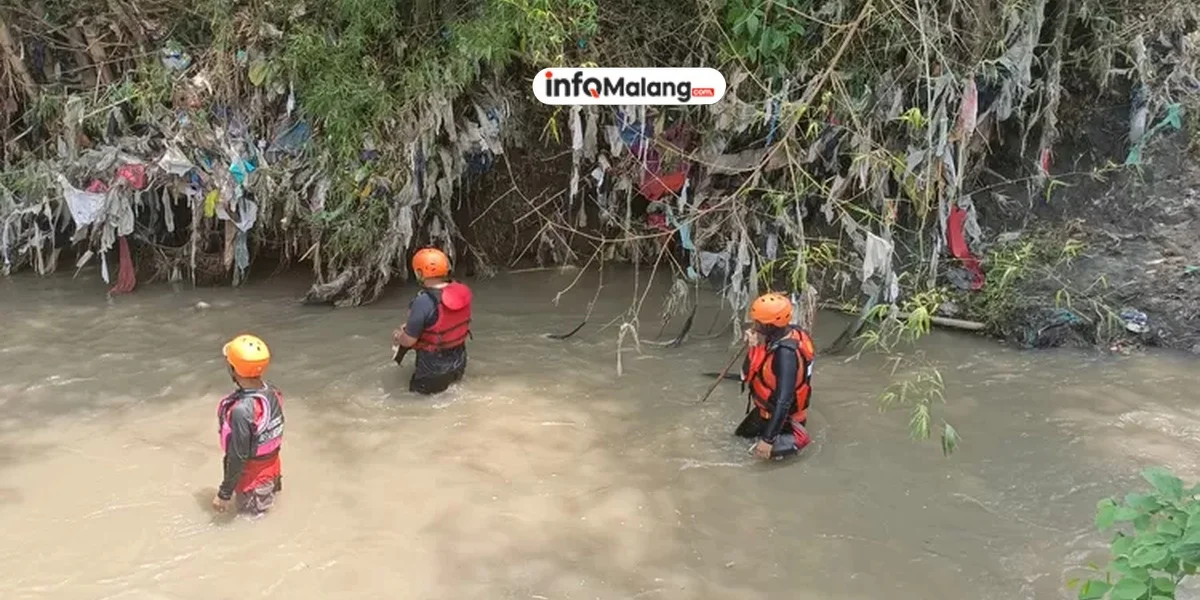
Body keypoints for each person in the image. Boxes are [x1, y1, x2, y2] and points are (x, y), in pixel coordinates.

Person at [735, 293, 816, 461]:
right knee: (738, 439)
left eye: (759, 322)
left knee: (757, 460)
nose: (754, 325)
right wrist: (754, 346)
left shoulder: (785, 356)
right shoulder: (793, 332)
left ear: (771, 326)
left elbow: (784, 401)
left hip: (784, 422)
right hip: (766, 411)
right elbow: (747, 373)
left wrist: (768, 440)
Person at [213, 334, 285, 515]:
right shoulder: (270, 390)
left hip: (253, 482)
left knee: (252, 522)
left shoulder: (241, 411)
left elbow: (238, 456)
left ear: (233, 369)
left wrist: (224, 494)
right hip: (272, 469)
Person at [392, 247, 472, 394]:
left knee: (418, 405)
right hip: (459, 359)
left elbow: (409, 341)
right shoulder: (461, 291)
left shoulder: (423, 301)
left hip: (433, 367)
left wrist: (399, 336)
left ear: (419, 273)